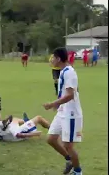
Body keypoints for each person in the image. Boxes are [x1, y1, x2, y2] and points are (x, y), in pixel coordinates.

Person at [43, 47, 83, 175]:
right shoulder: (63, 71)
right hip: (63, 111)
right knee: (51, 139)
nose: (52, 59)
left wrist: (53, 103)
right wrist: (58, 104)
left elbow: (71, 94)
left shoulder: (69, 72)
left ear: (59, 59)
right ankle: (69, 160)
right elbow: (65, 93)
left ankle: (77, 172)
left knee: (68, 145)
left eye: (53, 57)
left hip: (71, 114)